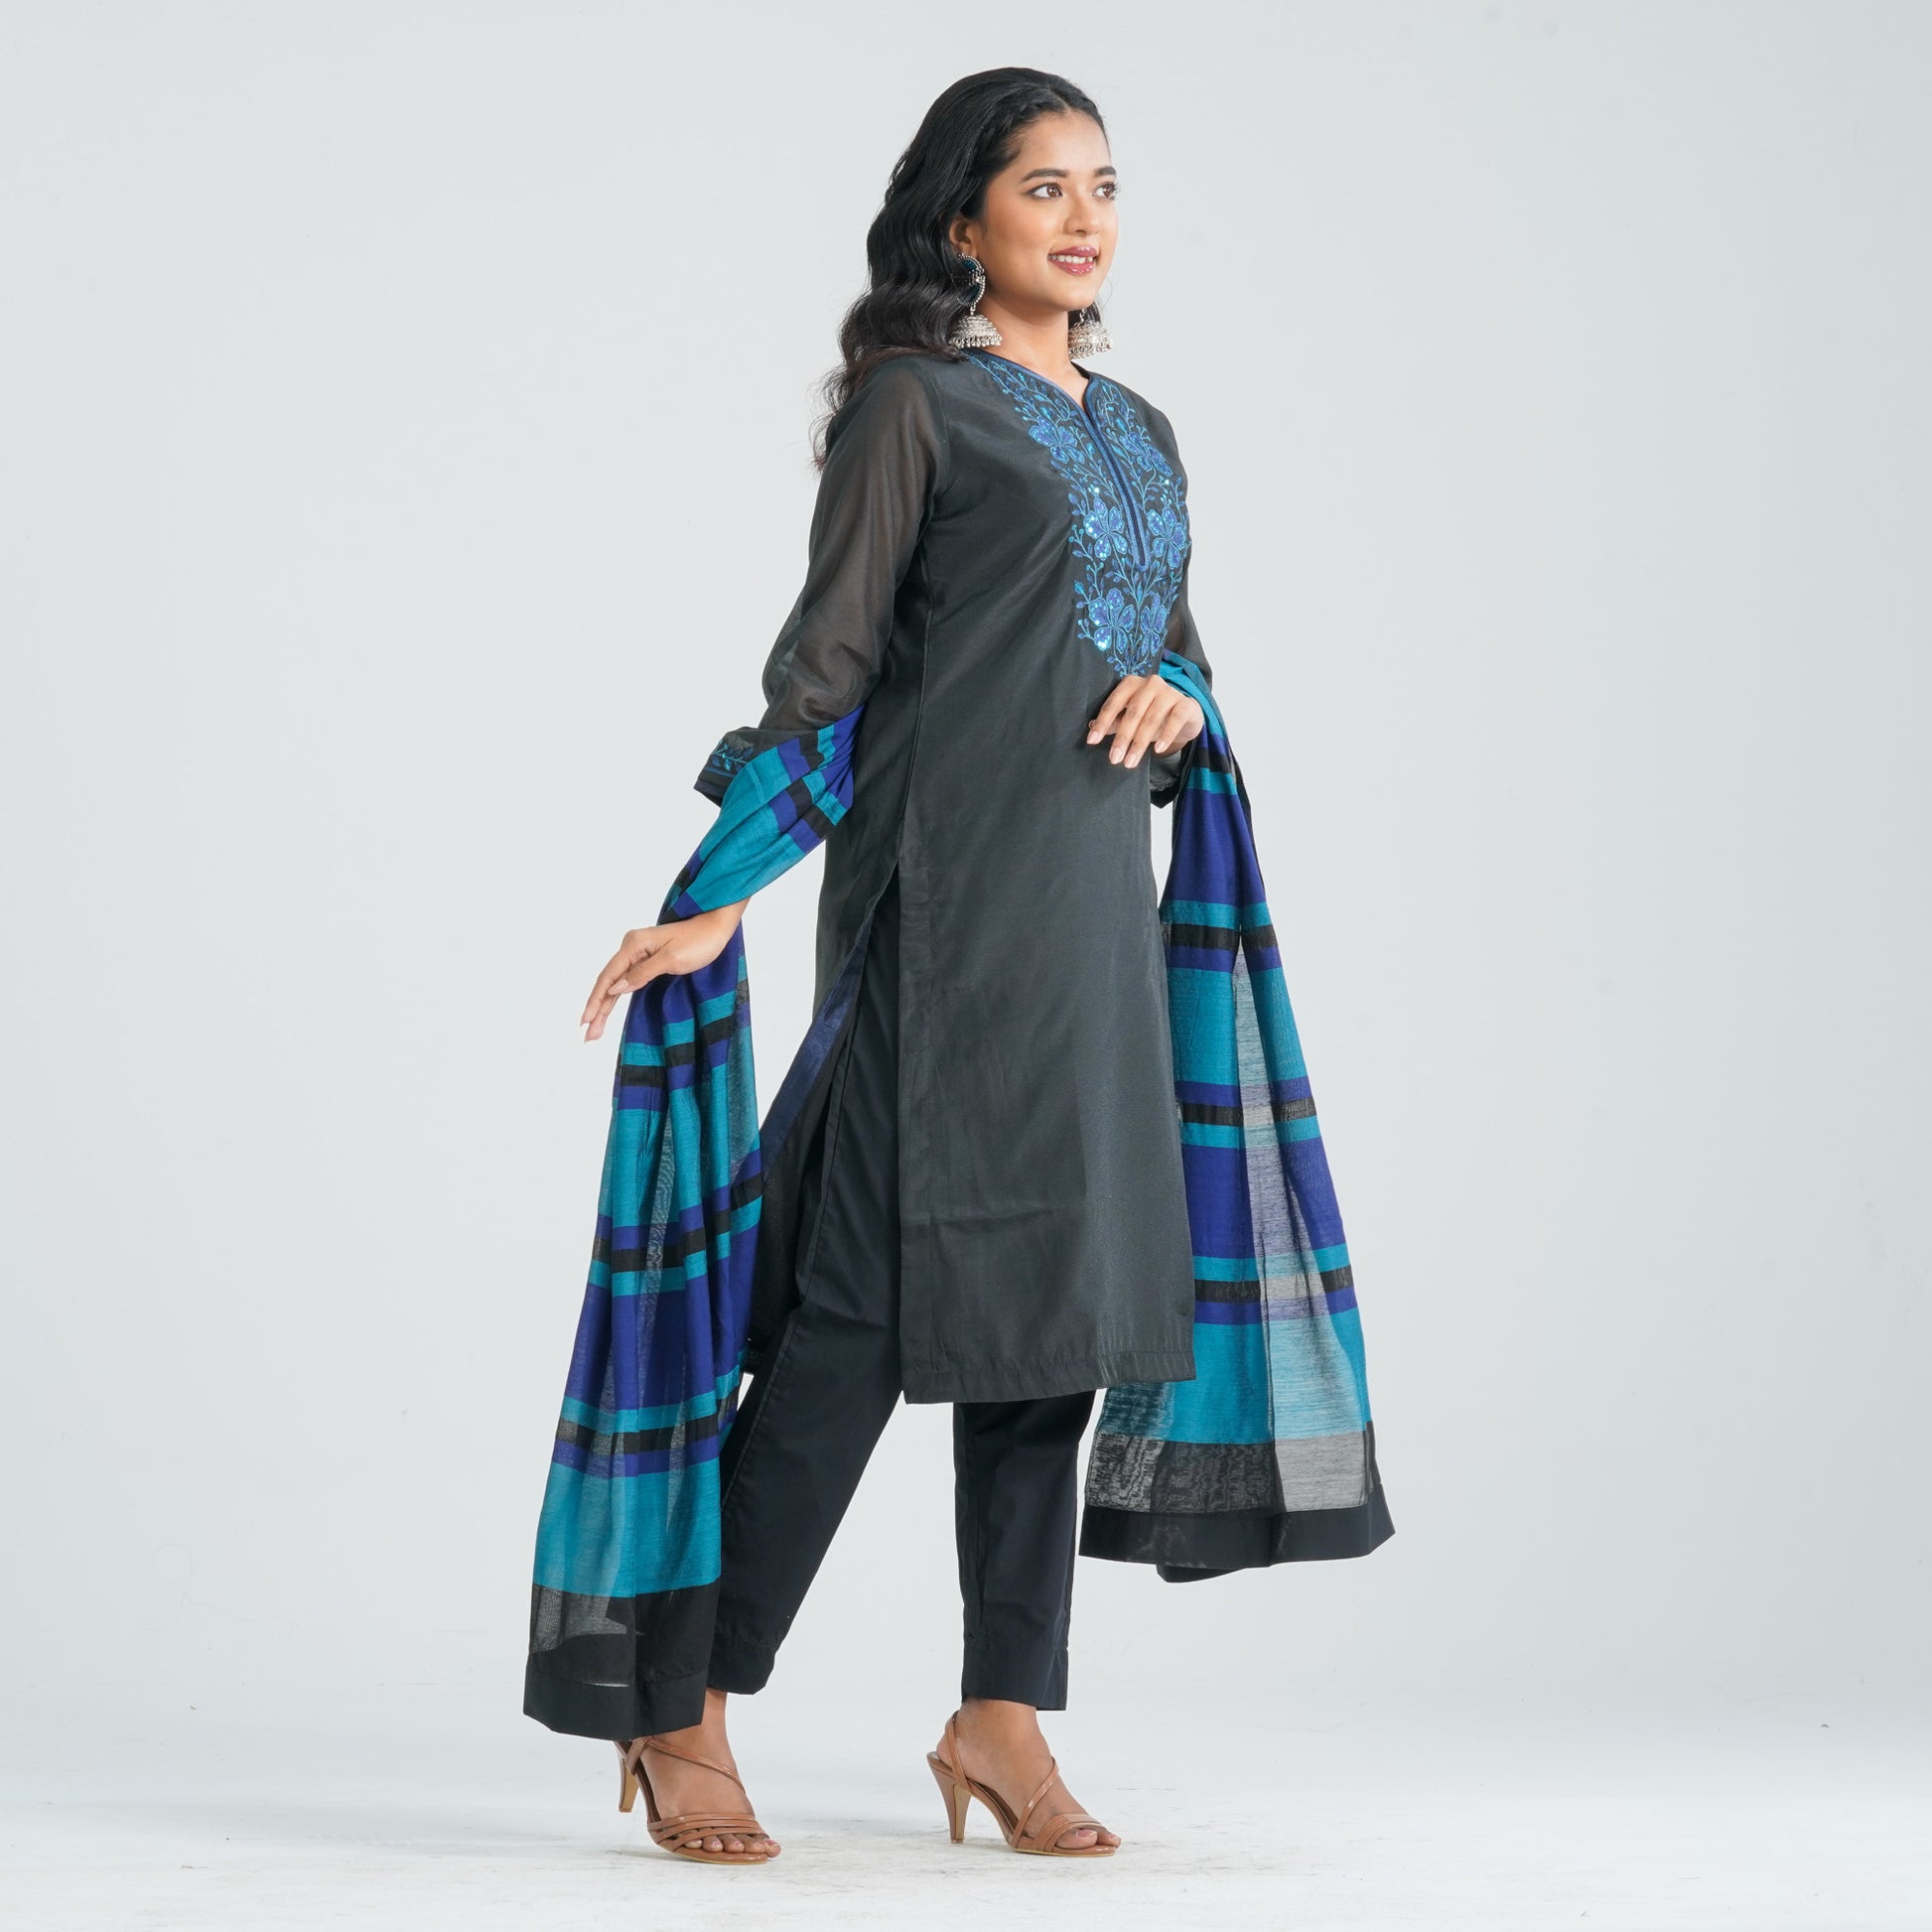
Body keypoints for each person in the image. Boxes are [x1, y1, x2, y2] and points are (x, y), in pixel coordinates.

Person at [525, 66, 1393, 1864]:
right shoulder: (911, 407)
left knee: (1053, 1324)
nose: (1082, 218)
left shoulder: (1140, 429)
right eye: (1041, 187)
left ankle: (1002, 1714)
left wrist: (1182, 701)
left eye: (1103, 186)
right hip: (937, 923)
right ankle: (686, 1695)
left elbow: (1175, 659)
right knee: (851, 1322)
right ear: (959, 221)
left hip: (1091, 938)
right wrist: (720, 885)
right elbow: (824, 668)